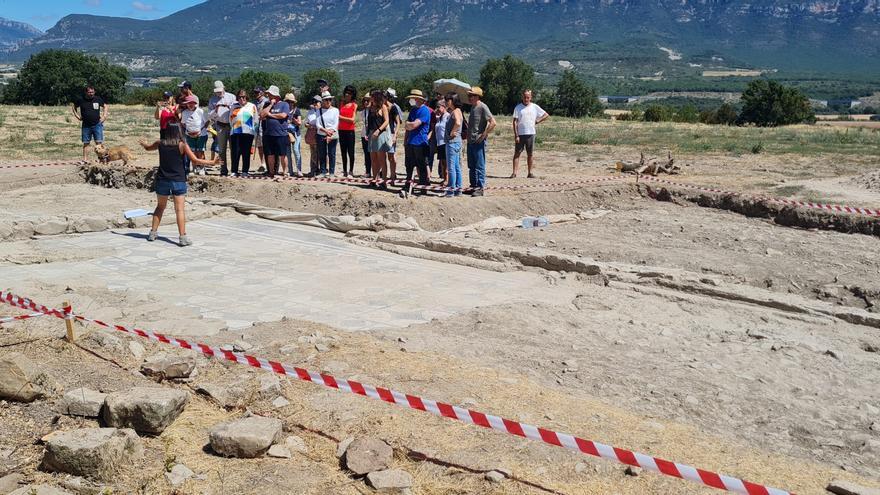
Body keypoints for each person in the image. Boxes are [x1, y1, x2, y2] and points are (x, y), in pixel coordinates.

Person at [138, 132, 218, 247]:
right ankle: (182, 237)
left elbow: (148, 148)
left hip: (162, 179)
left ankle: (153, 233)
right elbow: (195, 160)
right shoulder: (182, 145)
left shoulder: (160, 143)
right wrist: (212, 162)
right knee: (179, 210)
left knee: (160, 207)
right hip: (178, 180)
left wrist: (144, 143)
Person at [512, 89, 549, 178]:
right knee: (517, 153)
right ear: (522, 97)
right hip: (520, 134)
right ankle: (514, 173)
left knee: (530, 154)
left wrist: (538, 120)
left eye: (528, 97)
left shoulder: (534, 107)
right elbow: (515, 122)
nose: (526, 99)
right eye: (525, 97)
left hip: (531, 133)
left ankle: (530, 173)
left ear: (531, 97)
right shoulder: (518, 107)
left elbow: (546, 114)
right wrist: (516, 135)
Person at [466, 87, 496, 197]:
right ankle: (473, 186)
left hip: (478, 142)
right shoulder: (473, 107)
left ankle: (480, 188)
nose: (469, 97)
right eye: (469, 95)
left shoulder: (483, 107)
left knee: (479, 165)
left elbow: (493, 122)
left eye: (471, 95)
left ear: (477, 96)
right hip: (471, 141)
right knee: (472, 165)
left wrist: (484, 135)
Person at [401, 89, 432, 198]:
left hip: (420, 142)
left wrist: (408, 124)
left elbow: (413, 125)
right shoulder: (413, 110)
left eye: (413, 98)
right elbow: (407, 126)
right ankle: (408, 184)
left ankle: (423, 186)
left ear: (419, 99)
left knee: (421, 165)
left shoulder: (425, 111)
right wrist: (406, 139)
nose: (412, 100)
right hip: (411, 141)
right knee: (409, 165)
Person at [259, 85, 290, 178]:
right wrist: (271, 105)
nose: (268, 96)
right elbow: (262, 115)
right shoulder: (267, 104)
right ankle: (271, 172)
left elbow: (283, 115)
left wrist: (271, 115)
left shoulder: (285, 104)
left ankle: (285, 172)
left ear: (275, 95)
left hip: (281, 133)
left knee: (283, 154)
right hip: (269, 133)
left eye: (270, 94)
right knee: (270, 154)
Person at [208, 80, 236, 176]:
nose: (219, 93)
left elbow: (236, 109)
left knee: (234, 148)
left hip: (231, 125)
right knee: (221, 150)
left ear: (224, 88)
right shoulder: (212, 100)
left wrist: (228, 107)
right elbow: (210, 115)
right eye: (217, 91)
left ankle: (234, 169)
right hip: (220, 125)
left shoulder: (232, 97)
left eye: (220, 91)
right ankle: (223, 170)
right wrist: (216, 109)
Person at [72, 86, 107, 162]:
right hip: (86, 125)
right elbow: (74, 106)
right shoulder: (81, 100)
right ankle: (85, 160)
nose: (91, 94)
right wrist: (77, 116)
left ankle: (101, 160)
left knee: (99, 143)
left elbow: (105, 106)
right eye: (89, 92)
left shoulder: (97, 99)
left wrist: (104, 116)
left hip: (97, 124)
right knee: (86, 143)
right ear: (86, 92)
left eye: (92, 92)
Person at [230, 89, 257, 177]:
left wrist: (253, 130)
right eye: (240, 97)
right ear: (237, 98)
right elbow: (230, 119)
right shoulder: (233, 106)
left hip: (248, 132)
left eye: (244, 97)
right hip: (236, 132)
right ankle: (234, 170)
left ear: (247, 97)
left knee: (246, 152)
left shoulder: (252, 106)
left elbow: (256, 120)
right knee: (235, 152)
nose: (242, 99)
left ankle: (245, 171)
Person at [367, 89, 391, 189]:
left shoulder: (383, 107)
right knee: (373, 159)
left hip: (380, 134)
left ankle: (384, 181)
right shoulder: (370, 107)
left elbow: (387, 121)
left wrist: (378, 130)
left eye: (372, 96)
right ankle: (374, 178)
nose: (370, 98)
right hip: (372, 133)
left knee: (381, 158)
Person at [180, 95, 209, 175]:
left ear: (195, 103)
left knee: (200, 151)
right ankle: (194, 168)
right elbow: (183, 123)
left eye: (191, 103)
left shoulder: (200, 111)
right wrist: (188, 131)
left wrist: (201, 130)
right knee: (192, 152)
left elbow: (207, 122)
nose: (190, 105)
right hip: (189, 135)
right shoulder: (185, 112)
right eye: (188, 103)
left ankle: (202, 168)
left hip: (201, 135)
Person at [444, 93, 464, 197]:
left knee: (451, 167)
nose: (446, 102)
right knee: (457, 167)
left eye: (448, 100)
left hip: (452, 142)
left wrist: (452, 131)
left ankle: (451, 190)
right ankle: (458, 189)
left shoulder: (455, 111)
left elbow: (458, 123)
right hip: (457, 142)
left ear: (453, 100)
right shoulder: (458, 111)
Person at [316, 91, 340, 178]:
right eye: (326, 99)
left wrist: (330, 133)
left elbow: (336, 123)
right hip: (321, 134)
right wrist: (326, 131)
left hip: (332, 134)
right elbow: (318, 124)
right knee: (322, 153)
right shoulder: (319, 111)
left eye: (329, 99)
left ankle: (332, 172)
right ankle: (323, 171)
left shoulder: (335, 110)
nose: (328, 101)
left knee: (332, 153)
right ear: (323, 100)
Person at [338, 85, 358, 178]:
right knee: (343, 151)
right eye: (346, 92)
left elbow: (352, 120)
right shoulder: (341, 103)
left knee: (351, 151)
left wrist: (340, 117)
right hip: (341, 130)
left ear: (352, 95)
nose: (347, 94)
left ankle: (351, 171)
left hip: (350, 131)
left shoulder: (354, 105)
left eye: (349, 93)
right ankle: (345, 170)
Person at [385, 88, 403, 183]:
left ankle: (393, 175)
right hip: (385, 133)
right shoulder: (382, 106)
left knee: (391, 156)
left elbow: (399, 121)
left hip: (391, 132)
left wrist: (395, 134)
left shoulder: (395, 107)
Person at [284, 93, 303, 177]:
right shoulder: (284, 110)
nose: (290, 103)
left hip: (296, 134)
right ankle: (290, 171)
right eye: (288, 101)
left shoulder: (297, 110)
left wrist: (294, 121)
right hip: (287, 133)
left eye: (291, 102)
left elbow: (299, 123)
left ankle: (299, 170)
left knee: (296, 151)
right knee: (287, 153)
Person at [304, 95, 321, 177]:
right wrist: (309, 126)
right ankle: (313, 170)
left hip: (320, 133)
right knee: (313, 152)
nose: (314, 103)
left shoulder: (322, 111)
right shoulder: (310, 112)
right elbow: (306, 123)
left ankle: (322, 170)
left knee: (321, 152)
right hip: (312, 134)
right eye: (313, 102)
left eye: (316, 102)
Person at [434, 99, 449, 186]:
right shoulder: (440, 117)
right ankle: (444, 179)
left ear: (444, 107)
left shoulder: (447, 116)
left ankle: (447, 179)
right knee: (442, 163)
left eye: (438, 107)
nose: (437, 109)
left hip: (445, 142)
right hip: (439, 143)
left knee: (446, 163)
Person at [252, 86, 268, 170]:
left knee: (266, 145)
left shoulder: (266, 101)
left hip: (265, 125)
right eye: (255, 92)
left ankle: (267, 163)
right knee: (259, 146)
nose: (255, 94)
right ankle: (263, 163)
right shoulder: (254, 102)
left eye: (257, 92)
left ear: (262, 92)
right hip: (256, 125)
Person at [360, 94, 372, 178]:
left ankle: (380, 172)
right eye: (364, 100)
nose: (366, 102)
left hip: (373, 134)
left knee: (375, 154)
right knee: (366, 154)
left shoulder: (375, 110)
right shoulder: (362, 112)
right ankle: (368, 171)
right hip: (364, 134)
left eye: (368, 100)